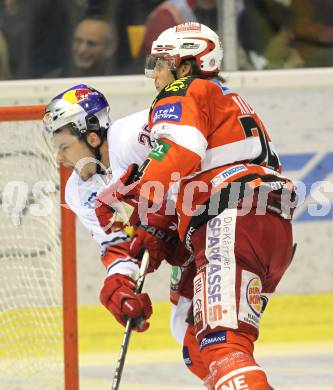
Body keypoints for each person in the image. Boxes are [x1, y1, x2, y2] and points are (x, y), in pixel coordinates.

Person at [95, 22, 297, 389]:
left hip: (232, 218)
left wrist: (140, 206)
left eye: (161, 63)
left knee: (224, 344)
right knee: (199, 343)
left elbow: (180, 151)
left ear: (186, 65)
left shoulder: (184, 90)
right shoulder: (227, 100)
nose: (154, 74)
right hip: (266, 227)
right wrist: (160, 226)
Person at [42, 84, 194, 340]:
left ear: (91, 138)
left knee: (212, 334)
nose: (59, 158)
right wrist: (119, 283)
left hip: (221, 220)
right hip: (188, 246)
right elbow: (117, 243)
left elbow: (193, 138)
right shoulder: (79, 190)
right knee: (185, 330)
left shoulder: (133, 134)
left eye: (65, 147)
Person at [47, 15, 118, 78]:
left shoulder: (123, 80)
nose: (82, 50)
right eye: (78, 41)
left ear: (110, 48)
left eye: (91, 44)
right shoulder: (54, 80)